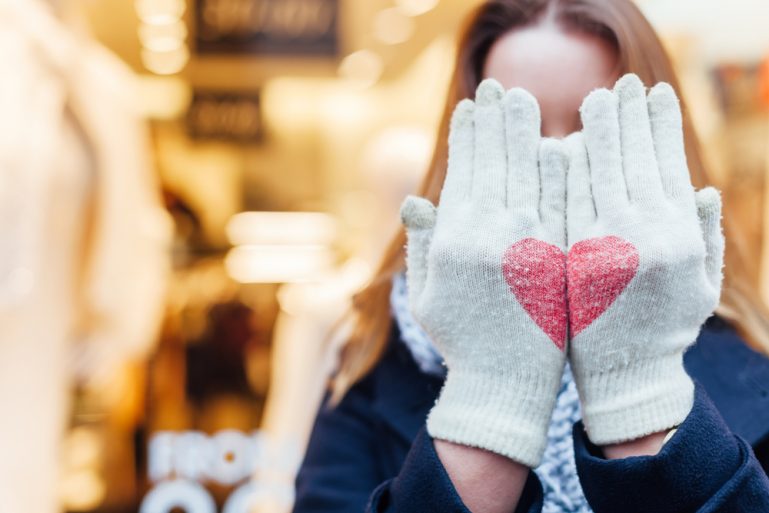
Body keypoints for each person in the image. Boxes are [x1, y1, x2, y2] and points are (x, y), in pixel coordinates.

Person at [292, 1, 769, 512]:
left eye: (594, 134)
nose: (559, 167)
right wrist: (493, 391)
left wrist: (638, 386)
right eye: (525, 134)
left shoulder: (753, 367)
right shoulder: (372, 361)